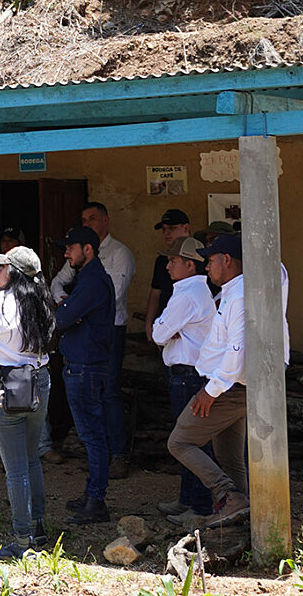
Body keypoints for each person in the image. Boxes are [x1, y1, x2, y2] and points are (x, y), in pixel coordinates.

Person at [166, 234, 289, 529]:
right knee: (228, 454)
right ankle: (241, 515)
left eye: (210, 261)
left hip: (228, 386)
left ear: (227, 260)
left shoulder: (239, 296)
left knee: (180, 442)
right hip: (232, 384)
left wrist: (210, 391)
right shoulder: (242, 289)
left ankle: (226, 495)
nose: (206, 267)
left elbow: (237, 350)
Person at [0, 245, 56, 560]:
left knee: (16, 468)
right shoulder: (41, 303)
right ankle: (38, 528)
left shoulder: (0, 306)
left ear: (15, 273)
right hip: (39, 381)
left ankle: (22, 541)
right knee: (31, 458)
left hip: (8, 383)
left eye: (3, 266)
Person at [51, 202, 136, 478]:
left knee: (108, 394)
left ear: (106, 220)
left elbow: (112, 295)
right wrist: (69, 303)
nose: (87, 223)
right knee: (91, 407)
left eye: (92, 218)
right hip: (84, 334)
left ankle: (117, 456)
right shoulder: (80, 261)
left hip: (109, 330)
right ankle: (98, 466)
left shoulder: (118, 254)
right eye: (83, 219)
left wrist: (74, 308)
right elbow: (57, 284)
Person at [150, 237, 216, 530]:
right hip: (190, 374)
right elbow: (164, 331)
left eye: (173, 261)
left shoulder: (186, 295)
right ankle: (188, 500)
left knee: (189, 443)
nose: (167, 265)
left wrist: (166, 329)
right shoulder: (194, 290)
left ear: (190, 265)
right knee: (189, 441)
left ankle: (199, 505)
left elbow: (158, 333)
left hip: (188, 375)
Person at [54, 226, 115, 524]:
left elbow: (62, 318)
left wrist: (66, 308)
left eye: (71, 248)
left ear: (87, 249)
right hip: (82, 364)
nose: (66, 253)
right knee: (90, 434)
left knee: (92, 435)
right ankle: (92, 494)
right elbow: (67, 315)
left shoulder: (92, 281)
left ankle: (97, 500)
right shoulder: (87, 279)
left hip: (86, 366)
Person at [144, 209, 191, 342]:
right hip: (166, 328)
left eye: (172, 228)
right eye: (164, 229)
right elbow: (155, 293)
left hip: (191, 330)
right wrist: (149, 323)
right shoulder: (161, 261)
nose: (167, 233)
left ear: (186, 228)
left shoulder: (200, 257)